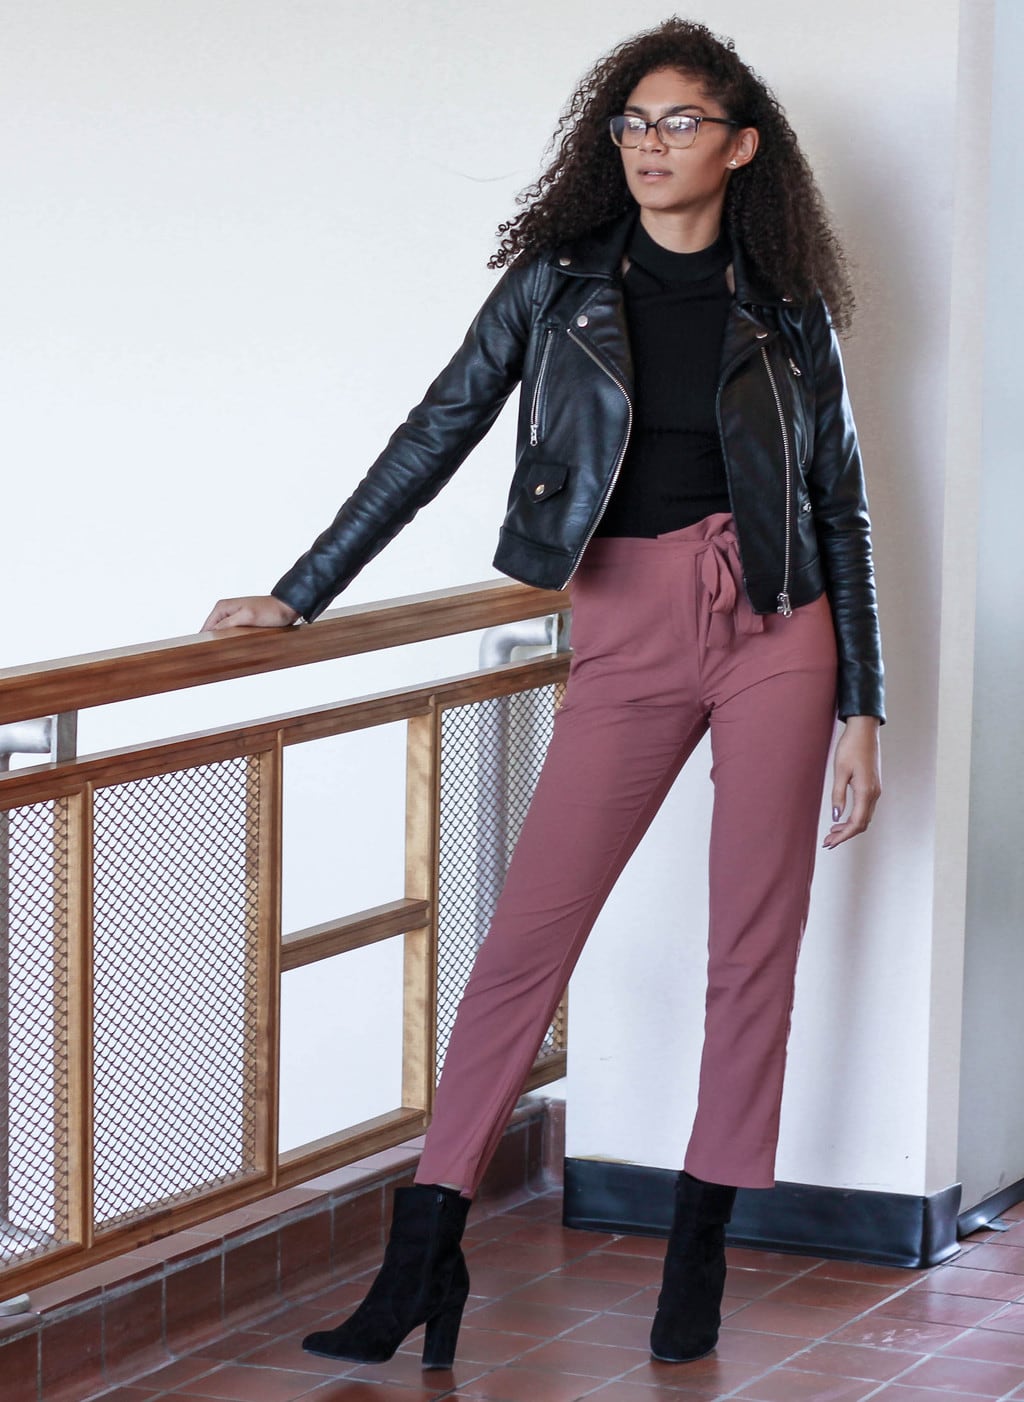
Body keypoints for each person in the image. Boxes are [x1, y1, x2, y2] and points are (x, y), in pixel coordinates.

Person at [204, 16, 883, 1372]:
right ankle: (422, 1254)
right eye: (632, 122)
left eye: (681, 122)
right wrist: (305, 585)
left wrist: (865, 701)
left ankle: (696, 1256)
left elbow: (841, 505)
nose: (651, 144)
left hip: (777, 626)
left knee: (752, 948)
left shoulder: (786, 308)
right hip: (625, 621)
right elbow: (439, 424)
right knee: (524, 946)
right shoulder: (556, 286)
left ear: (741, 147)